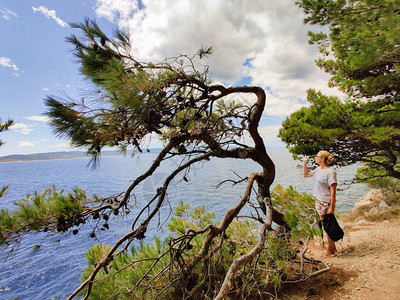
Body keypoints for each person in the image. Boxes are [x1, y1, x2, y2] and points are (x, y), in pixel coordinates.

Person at [303, 150, 338, 257]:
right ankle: (333, 248)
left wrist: (331, 207)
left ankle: (330, 250)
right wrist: (305, 163)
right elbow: (306, 175)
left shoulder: (330, 172)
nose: (315, 158)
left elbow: (333, 191)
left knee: (327, 226)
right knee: (326, 225)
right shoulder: (317, 170)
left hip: (325, 202)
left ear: (322, 159)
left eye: (317, 156)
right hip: (318, 201)